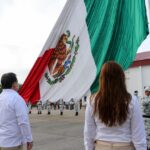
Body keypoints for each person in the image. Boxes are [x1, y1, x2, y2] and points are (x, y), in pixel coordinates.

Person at [84, 61, 147, 150]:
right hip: (125, 146)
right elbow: (138, 134)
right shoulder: (131, 101)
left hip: (101, 146)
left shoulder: (92, 101)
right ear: (121, 78)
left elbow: (89, 132)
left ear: (102, 79)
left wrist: (89, 148)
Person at [0, 73, 33, 150]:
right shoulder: (17, 99)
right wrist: (29, 139)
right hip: (13, 142)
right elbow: (23, 122)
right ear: (14, 84)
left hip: (2, 141)